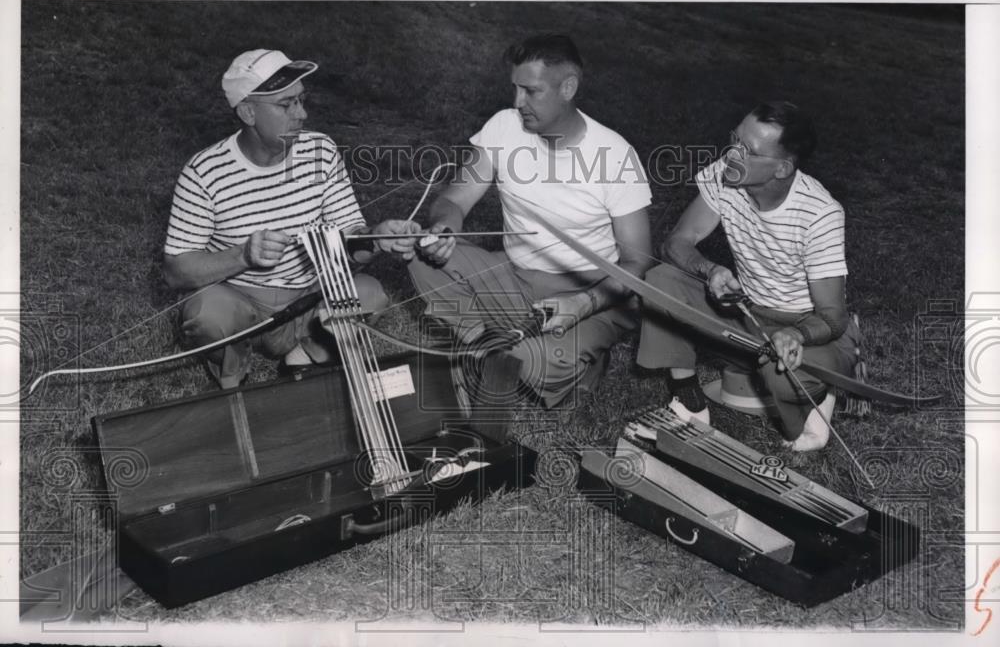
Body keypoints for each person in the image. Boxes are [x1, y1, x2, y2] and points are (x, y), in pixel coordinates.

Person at [408, 34, 653, 409]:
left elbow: (638, 264)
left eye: (531, 92)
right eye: (515, 89)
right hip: (514, 276)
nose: (517, 102)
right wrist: (445, 229)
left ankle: (581, 356)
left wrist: (584, 305)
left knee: (531, 364)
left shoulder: (616, 156)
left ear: (568, 88)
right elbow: (454, 198)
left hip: (590, 293)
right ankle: (482, 343)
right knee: (419, 254)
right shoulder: (505, 126)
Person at [164, 49, 418, 389]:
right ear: (248, 112)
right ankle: (233, 371)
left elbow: (349, 236)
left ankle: (306, 353)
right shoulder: (203, 172)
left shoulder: (321, 151)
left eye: (301, 100)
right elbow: (176, 271)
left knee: (370, 293)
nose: (302, 113)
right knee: (206, 313)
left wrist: (375, 236)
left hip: (310, 297)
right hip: (243, 304)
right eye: (286, 105)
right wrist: (243, 256)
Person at [637, 101, 859, 451]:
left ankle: (827, 387)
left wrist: (795, 335)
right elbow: (677, 243)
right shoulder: (723, 175)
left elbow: (833, 316)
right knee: (661, 280)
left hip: (806, 326)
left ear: (782, 168)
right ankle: (688, 404)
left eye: (747, 150)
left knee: (791, 403)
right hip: (748, 312)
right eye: (733, 140)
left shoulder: (821, 213)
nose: (731, 154)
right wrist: (709, 270)